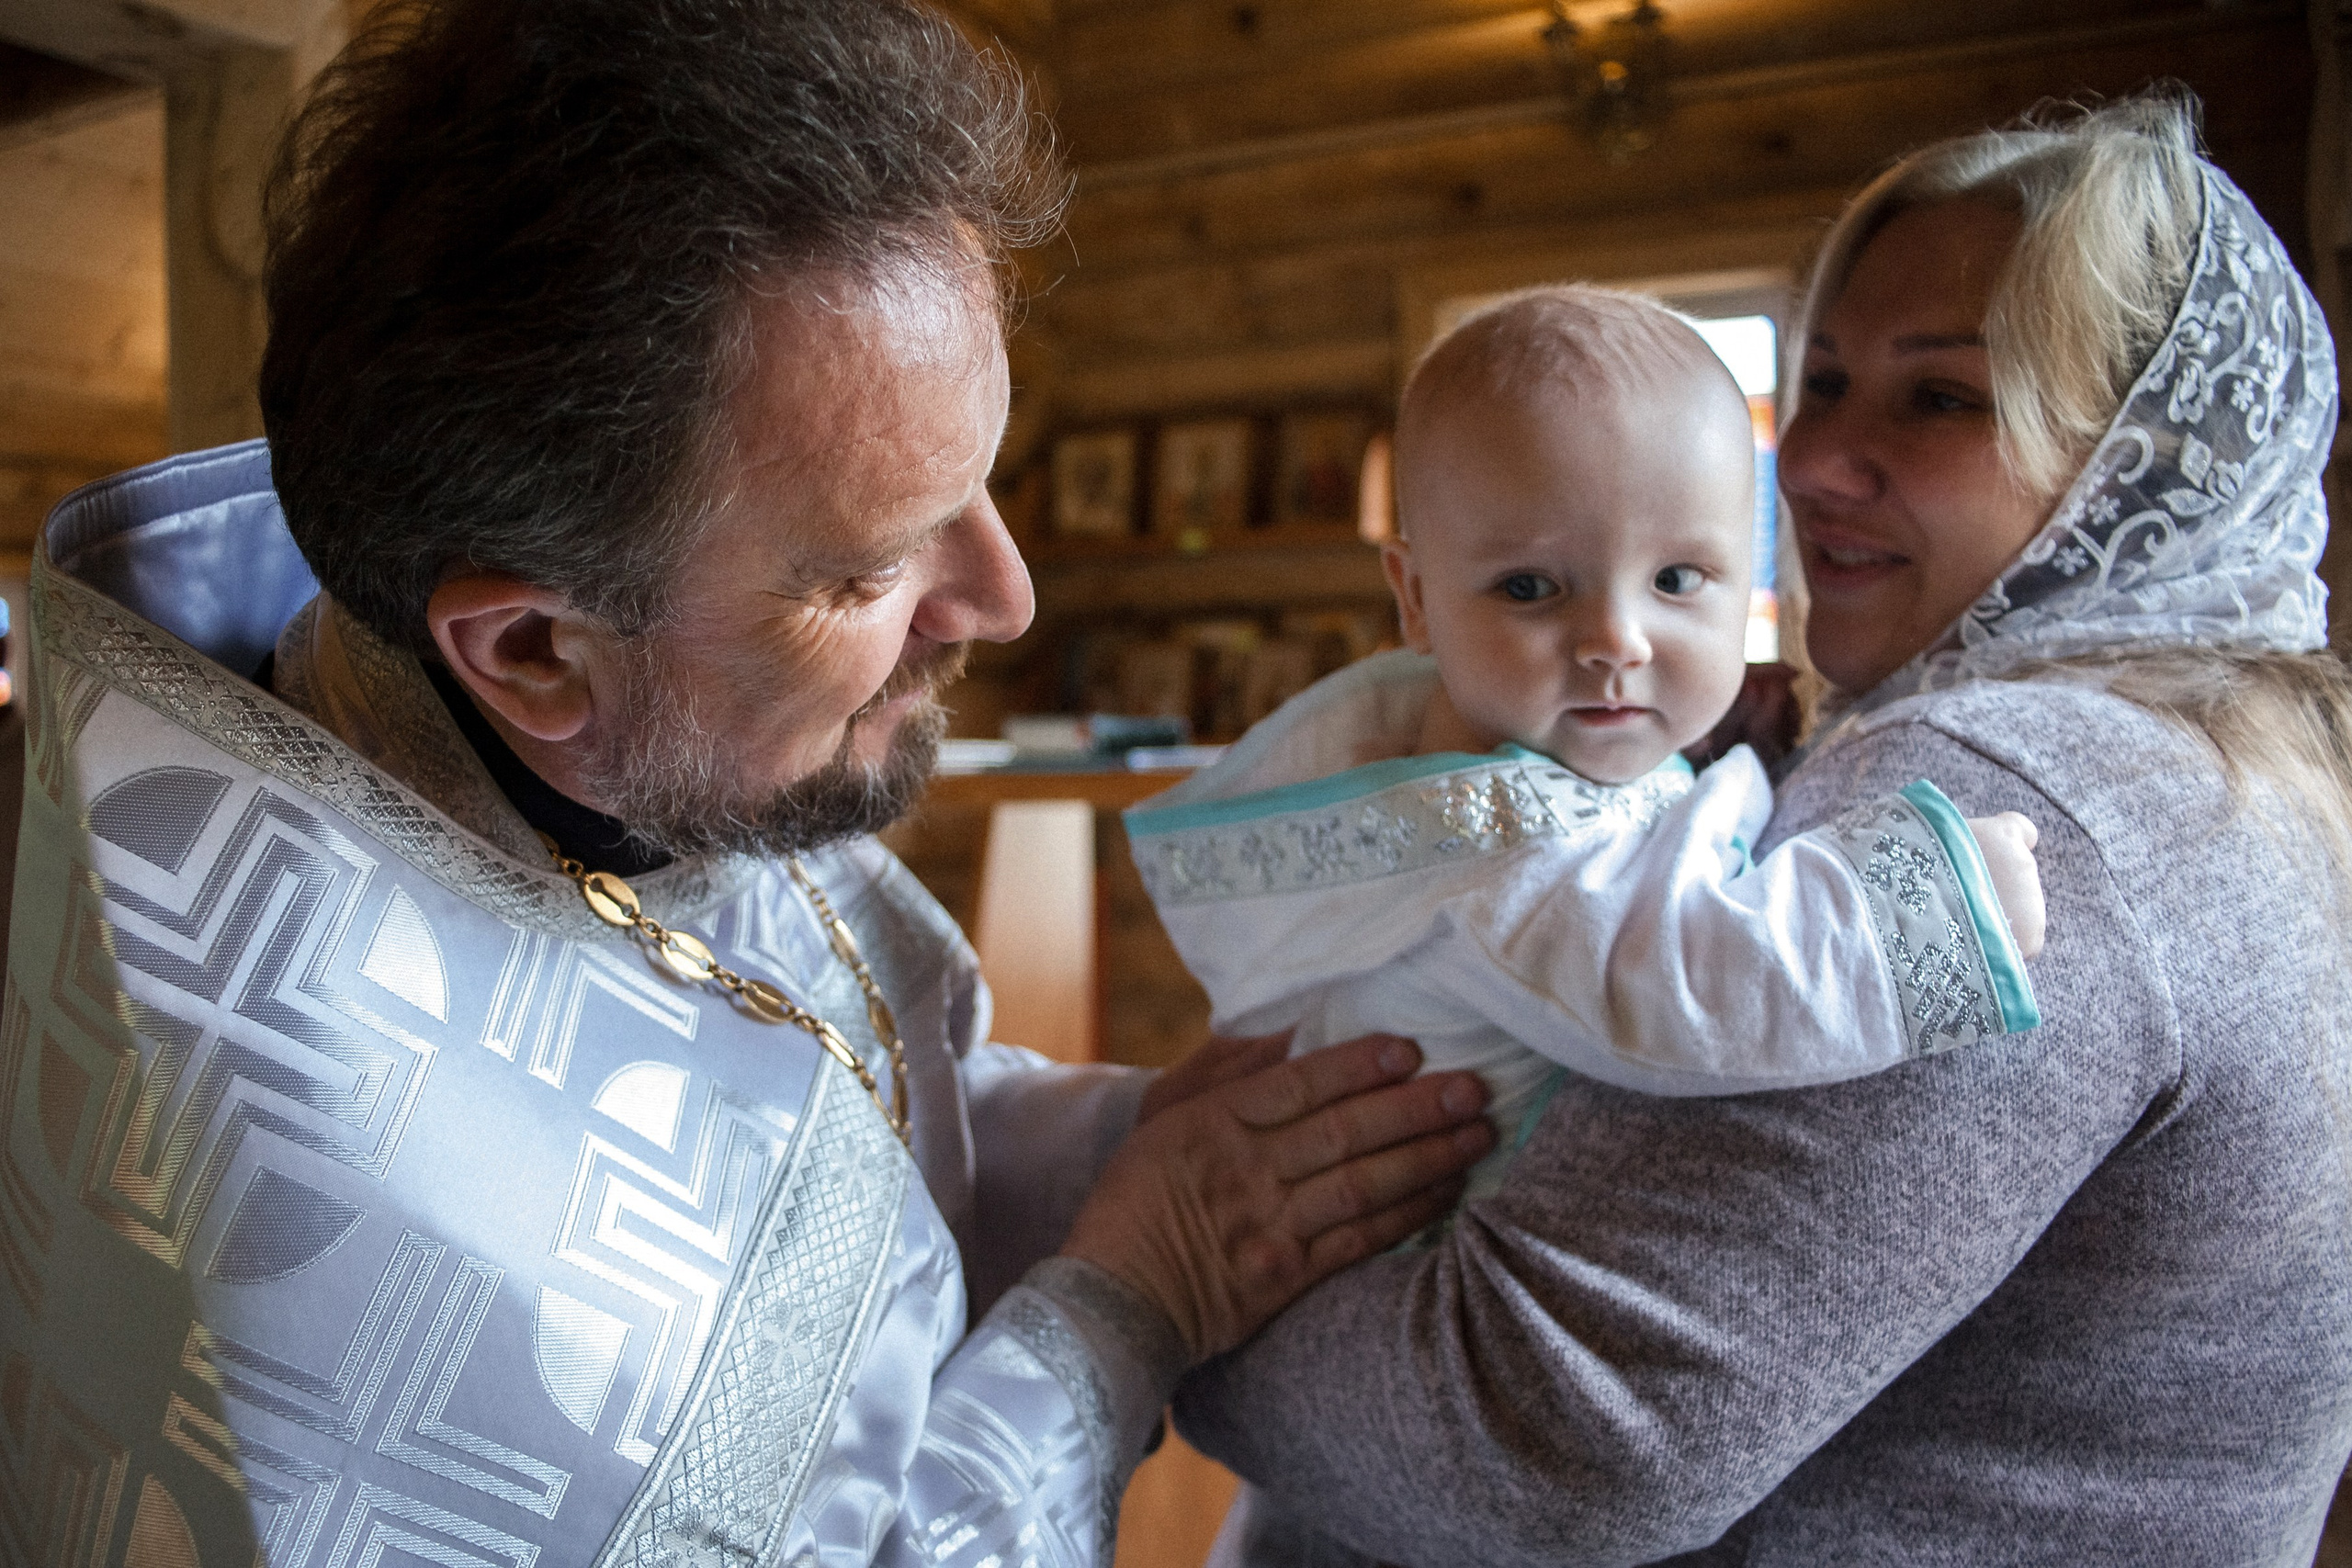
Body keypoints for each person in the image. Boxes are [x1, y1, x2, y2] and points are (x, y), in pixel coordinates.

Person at [0, 4, 1497, 1565]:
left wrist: (1119, 1147)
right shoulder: (332, 1173)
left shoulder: (641, 724)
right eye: (872, 565)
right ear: (534, 650)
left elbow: (840, 1105)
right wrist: (1132, 1295)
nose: (1006, 599)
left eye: (978, 482)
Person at [1177, 92, 2352, 1565]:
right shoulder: (2222, 757)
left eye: (1940, 397)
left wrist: (1165, 1283)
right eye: (1826, 381)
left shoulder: (2001, 797)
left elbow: (1542, 1433)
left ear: (2132, 461)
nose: (1811, 462)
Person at [1126, 287, 2047, 1222]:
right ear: (1416, 599)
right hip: (1434, 1250)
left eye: (1675, 579)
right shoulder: (1497, 851)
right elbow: (1688, 990)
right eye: (1530, 587)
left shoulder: (1527, 747)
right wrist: (1930, 907)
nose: (1616, 639)